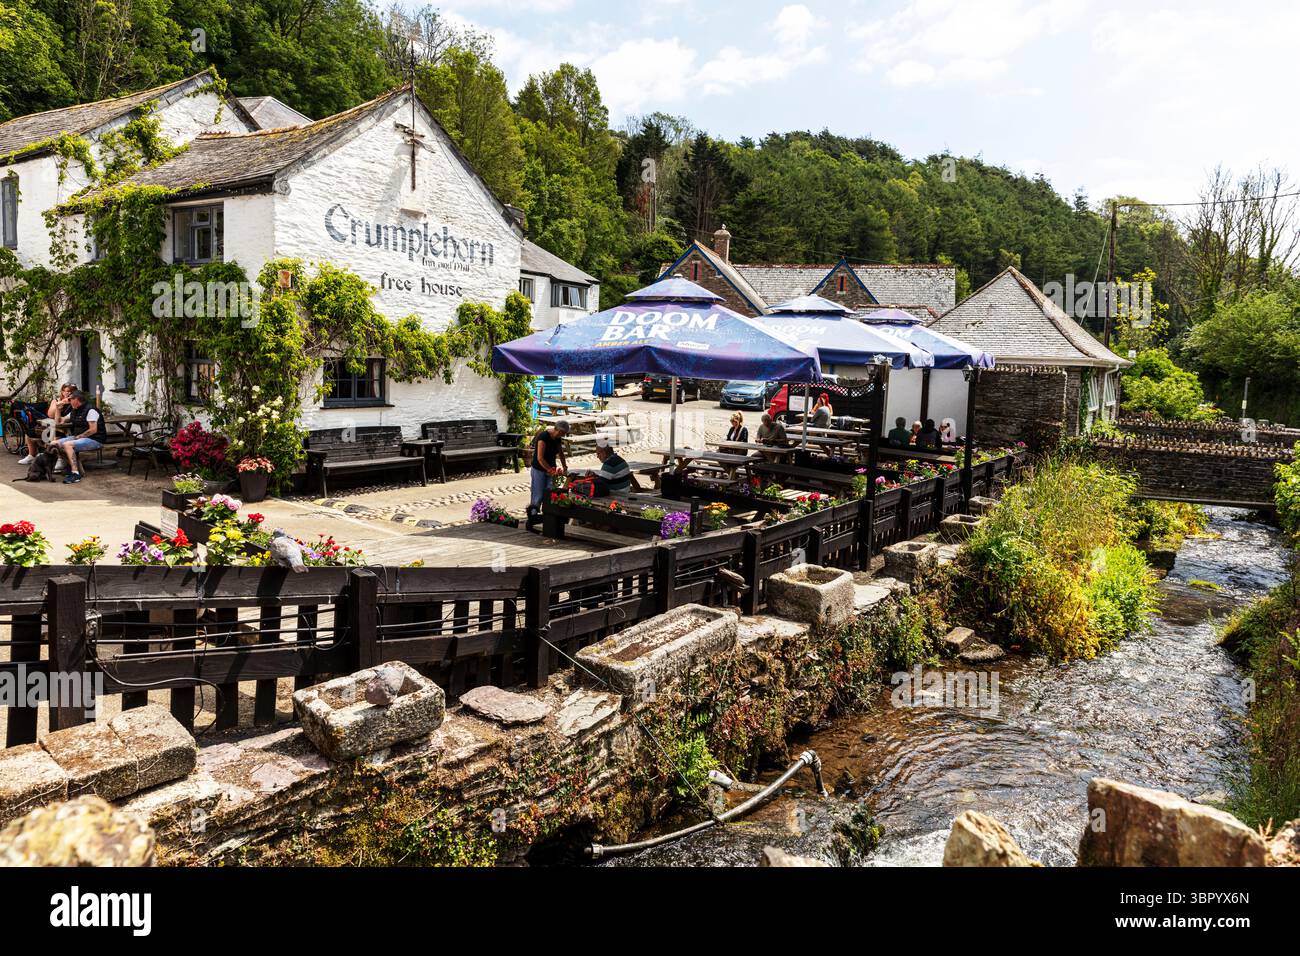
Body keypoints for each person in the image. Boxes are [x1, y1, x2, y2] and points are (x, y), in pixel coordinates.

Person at [527, 419, 569, 531]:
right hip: (539, 469)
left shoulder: (557, 438)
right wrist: (550, 470)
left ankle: (547, 519)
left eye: (564, 434)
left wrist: (564, 466)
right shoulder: (543, 437)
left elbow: (560, 453)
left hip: (551, 469)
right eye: (561, 433)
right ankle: (532, 520)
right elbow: (540, 458)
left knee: (551, 494)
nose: (562, 435)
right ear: (556, 429)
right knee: (538, 495)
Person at [52, 391, 102, 484]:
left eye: (70, 399)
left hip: (95, 439)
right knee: (53, 444)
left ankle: (75, 474)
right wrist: (58, 409)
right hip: (78, 438)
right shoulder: (74, 410)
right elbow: (58, 422)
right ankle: (65, 466)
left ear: (76, 400)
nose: (69, 401)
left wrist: (79, 437)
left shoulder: (91, 410)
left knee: (67, 445)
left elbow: (93, 430)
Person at [20, 383, 74, 464]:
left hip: (66, 428)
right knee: (29, 432)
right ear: (62, 392)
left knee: (56, 436)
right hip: (51, 425)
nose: (68, 393)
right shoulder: (56, 400)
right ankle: (31, 455)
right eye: (66, 391)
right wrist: (59, 405)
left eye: (71, 391)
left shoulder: (75, 402)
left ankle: (59, 459)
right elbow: (50, 415)